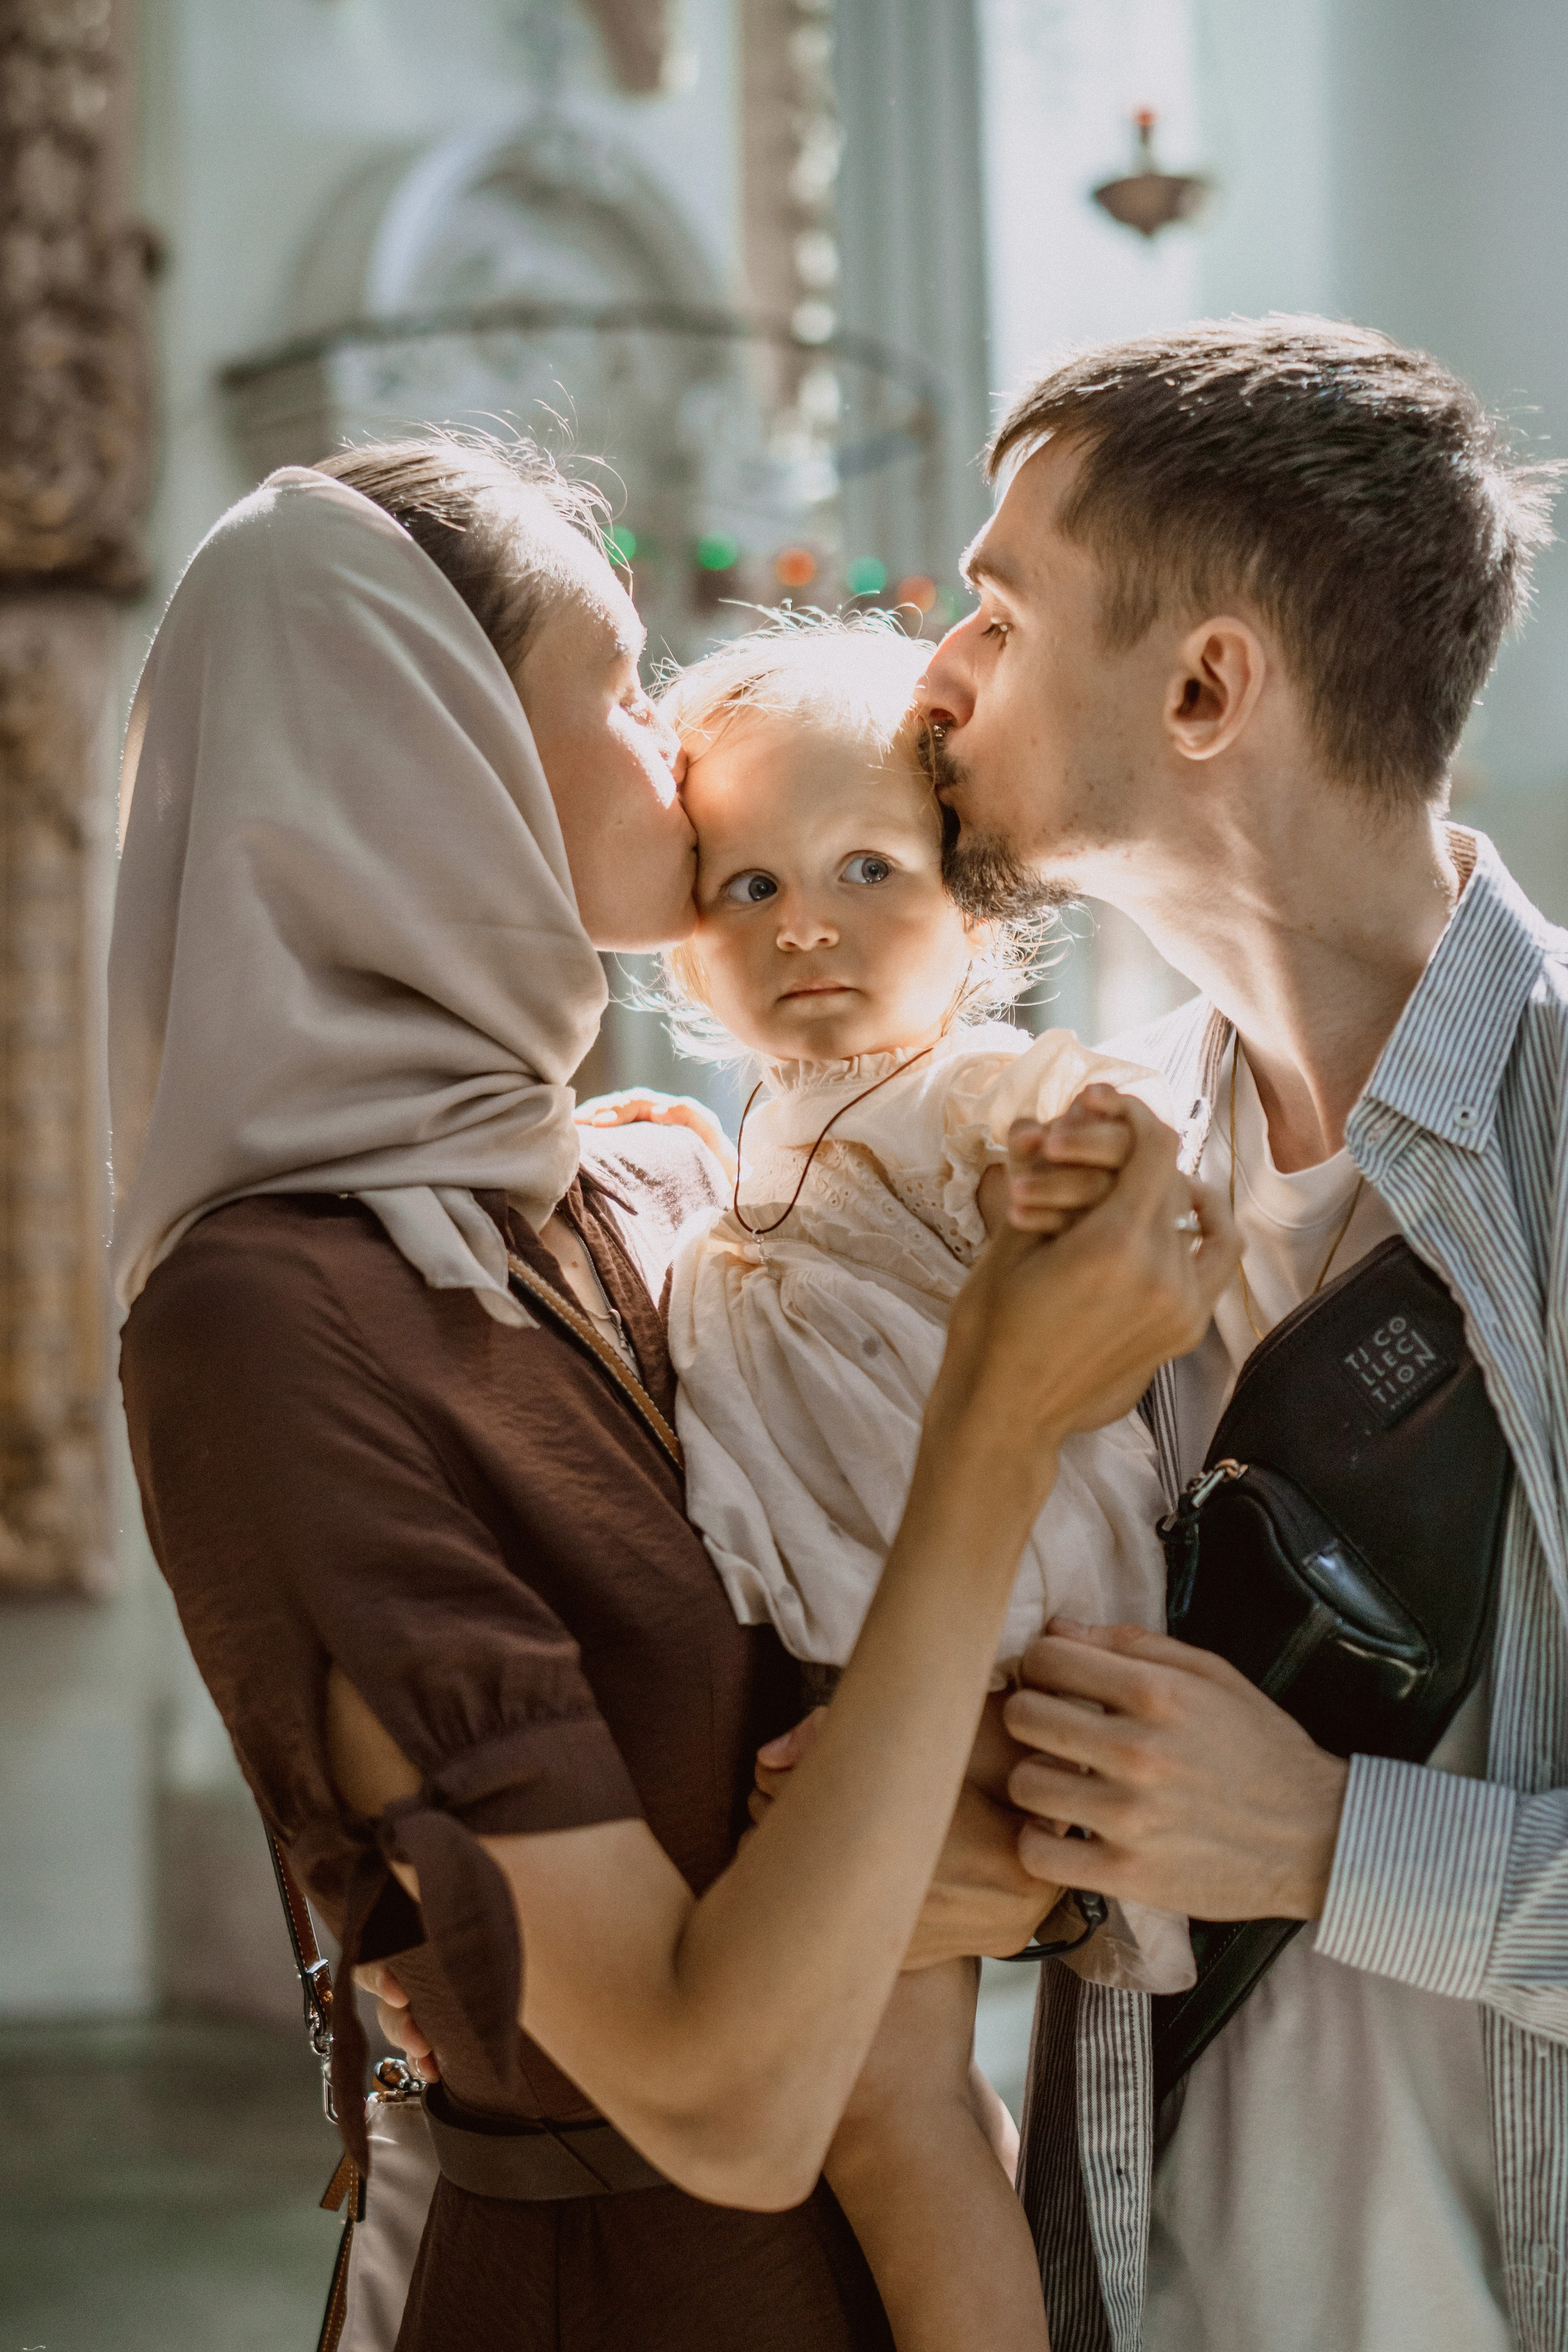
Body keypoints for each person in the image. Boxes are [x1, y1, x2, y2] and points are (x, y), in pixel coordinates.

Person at [109, 435, 1232, 2352]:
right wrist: (995, 1427)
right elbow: (725, 2098)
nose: (674, 748)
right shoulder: (268, 1311)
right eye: (623, 688)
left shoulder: (645, 1182)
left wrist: (1023, 1857)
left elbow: (856, 1760)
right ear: (444, 750)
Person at [915, 315, 1568, 2352]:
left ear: (1206, 688)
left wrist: (1322, 1839)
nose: (935, 675)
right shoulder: (1074, 1167)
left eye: (1000, 614)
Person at [639, 617, 1191, 2352]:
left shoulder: (956, 1092)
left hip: (977, 1631)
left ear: (978, 911)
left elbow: (1067, 1139)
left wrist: (1068, 1164)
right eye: (746, 886)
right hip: (879, 1635)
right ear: (685, 949)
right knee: (895, 2098)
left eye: (868, 868)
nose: (803, 923)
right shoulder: (766, 1124)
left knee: (891, 2112)